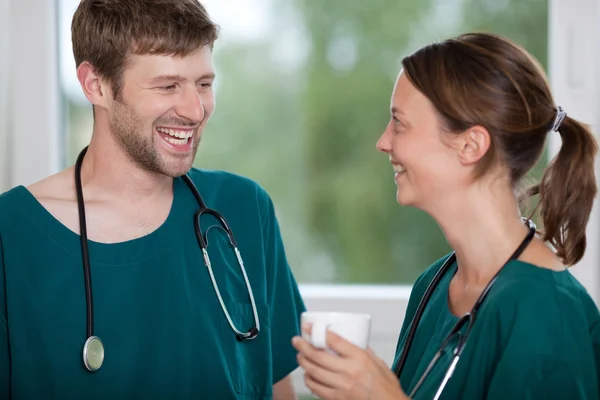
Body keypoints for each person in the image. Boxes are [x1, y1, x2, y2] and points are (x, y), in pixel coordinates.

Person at [0, 0, 305, 398]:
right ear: (96, 85)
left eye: (204, 83)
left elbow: (278, 386)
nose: (196, 110)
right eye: (168, 85)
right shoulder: (12, 235)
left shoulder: (244, 209)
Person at [292, 32, 600, 399]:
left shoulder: (547, 313)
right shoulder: (433, 286)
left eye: (399, 123)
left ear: (470, 145)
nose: (383, 142)